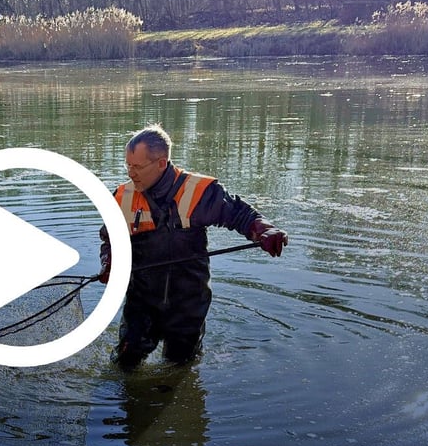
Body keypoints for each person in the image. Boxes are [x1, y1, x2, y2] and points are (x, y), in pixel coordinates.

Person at [99, 124, 288, 371]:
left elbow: (240, 214)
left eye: (137, 167)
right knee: (124, 363)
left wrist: (265, 231)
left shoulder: (199, 192)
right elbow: (110, 239)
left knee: (179, 368)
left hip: (188, 303)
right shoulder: (122, 197)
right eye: (128, 165)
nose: (131, 173)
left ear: (161, 163)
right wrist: (109, 262)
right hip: (142, 301)